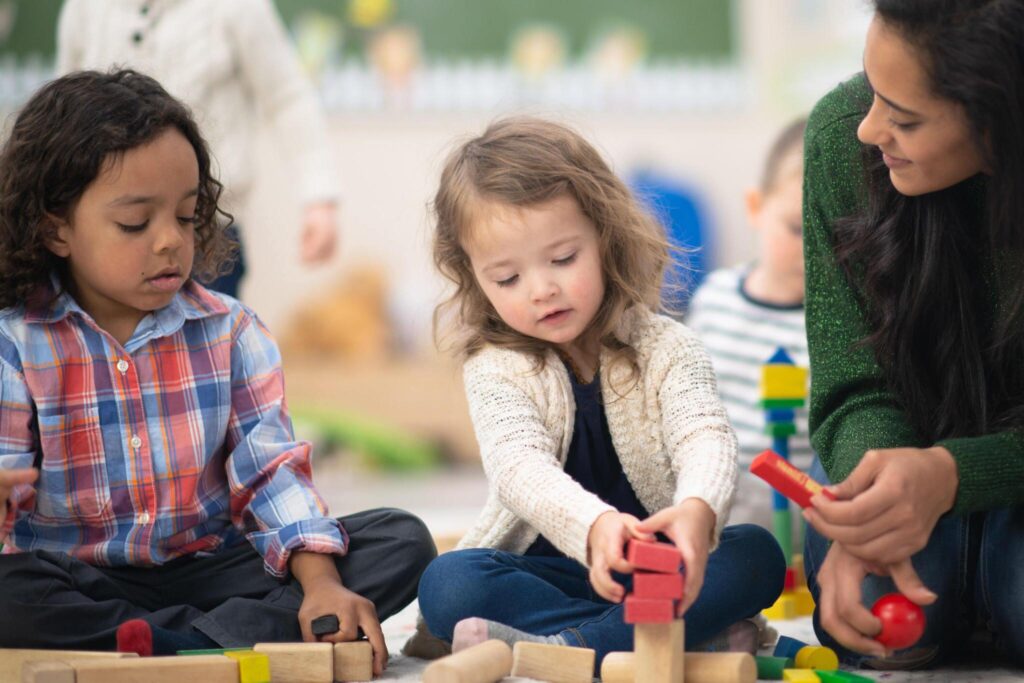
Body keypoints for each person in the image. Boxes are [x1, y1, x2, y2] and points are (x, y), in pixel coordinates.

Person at [0, 70, 434, 676]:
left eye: (185, 216)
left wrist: (321, 584)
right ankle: (208, 645)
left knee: (401, 540)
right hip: (77, 579)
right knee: (9, 593)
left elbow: (271, 476)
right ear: (55, 228)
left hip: (208, 570)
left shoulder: (230, 331)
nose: (169, 242)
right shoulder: (15, 341)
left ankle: (161, 649)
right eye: (135, 224)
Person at [412, 117, 786, 667]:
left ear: (605, 237)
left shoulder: (668, 346)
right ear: (473, 278)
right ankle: (663, 643)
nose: (542, 289)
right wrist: (596, 529)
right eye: (507, 279)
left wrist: (697, 508)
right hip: (554, 574)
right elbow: (519, 470)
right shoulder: (494, 368)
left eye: (563, 259)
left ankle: (573, 650)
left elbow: (705, 434)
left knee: (757, 554)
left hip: (659, 572)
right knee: (449, 582)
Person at [798, 0, 1024, 669]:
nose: (870, 129)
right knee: (886, 617)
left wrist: (956, 475)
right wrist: (873, 502)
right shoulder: (841, 137)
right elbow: (853, 382)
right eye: (872, 90)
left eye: (905, 117)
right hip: (906, 449)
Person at [56, 0, 341, 298]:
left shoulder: (238, 8)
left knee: (203, 339)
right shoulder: (84, 8)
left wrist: (319, 199)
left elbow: (288, 98)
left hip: (206, 230)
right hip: (110, 228)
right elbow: (63, 111)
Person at [687, 118, 812, 528]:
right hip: (718, 505)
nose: (813, 250)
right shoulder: (714, 299)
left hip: (802, 517)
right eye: (796, 229)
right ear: (756, 208)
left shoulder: (839, 324)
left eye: (832, 233)